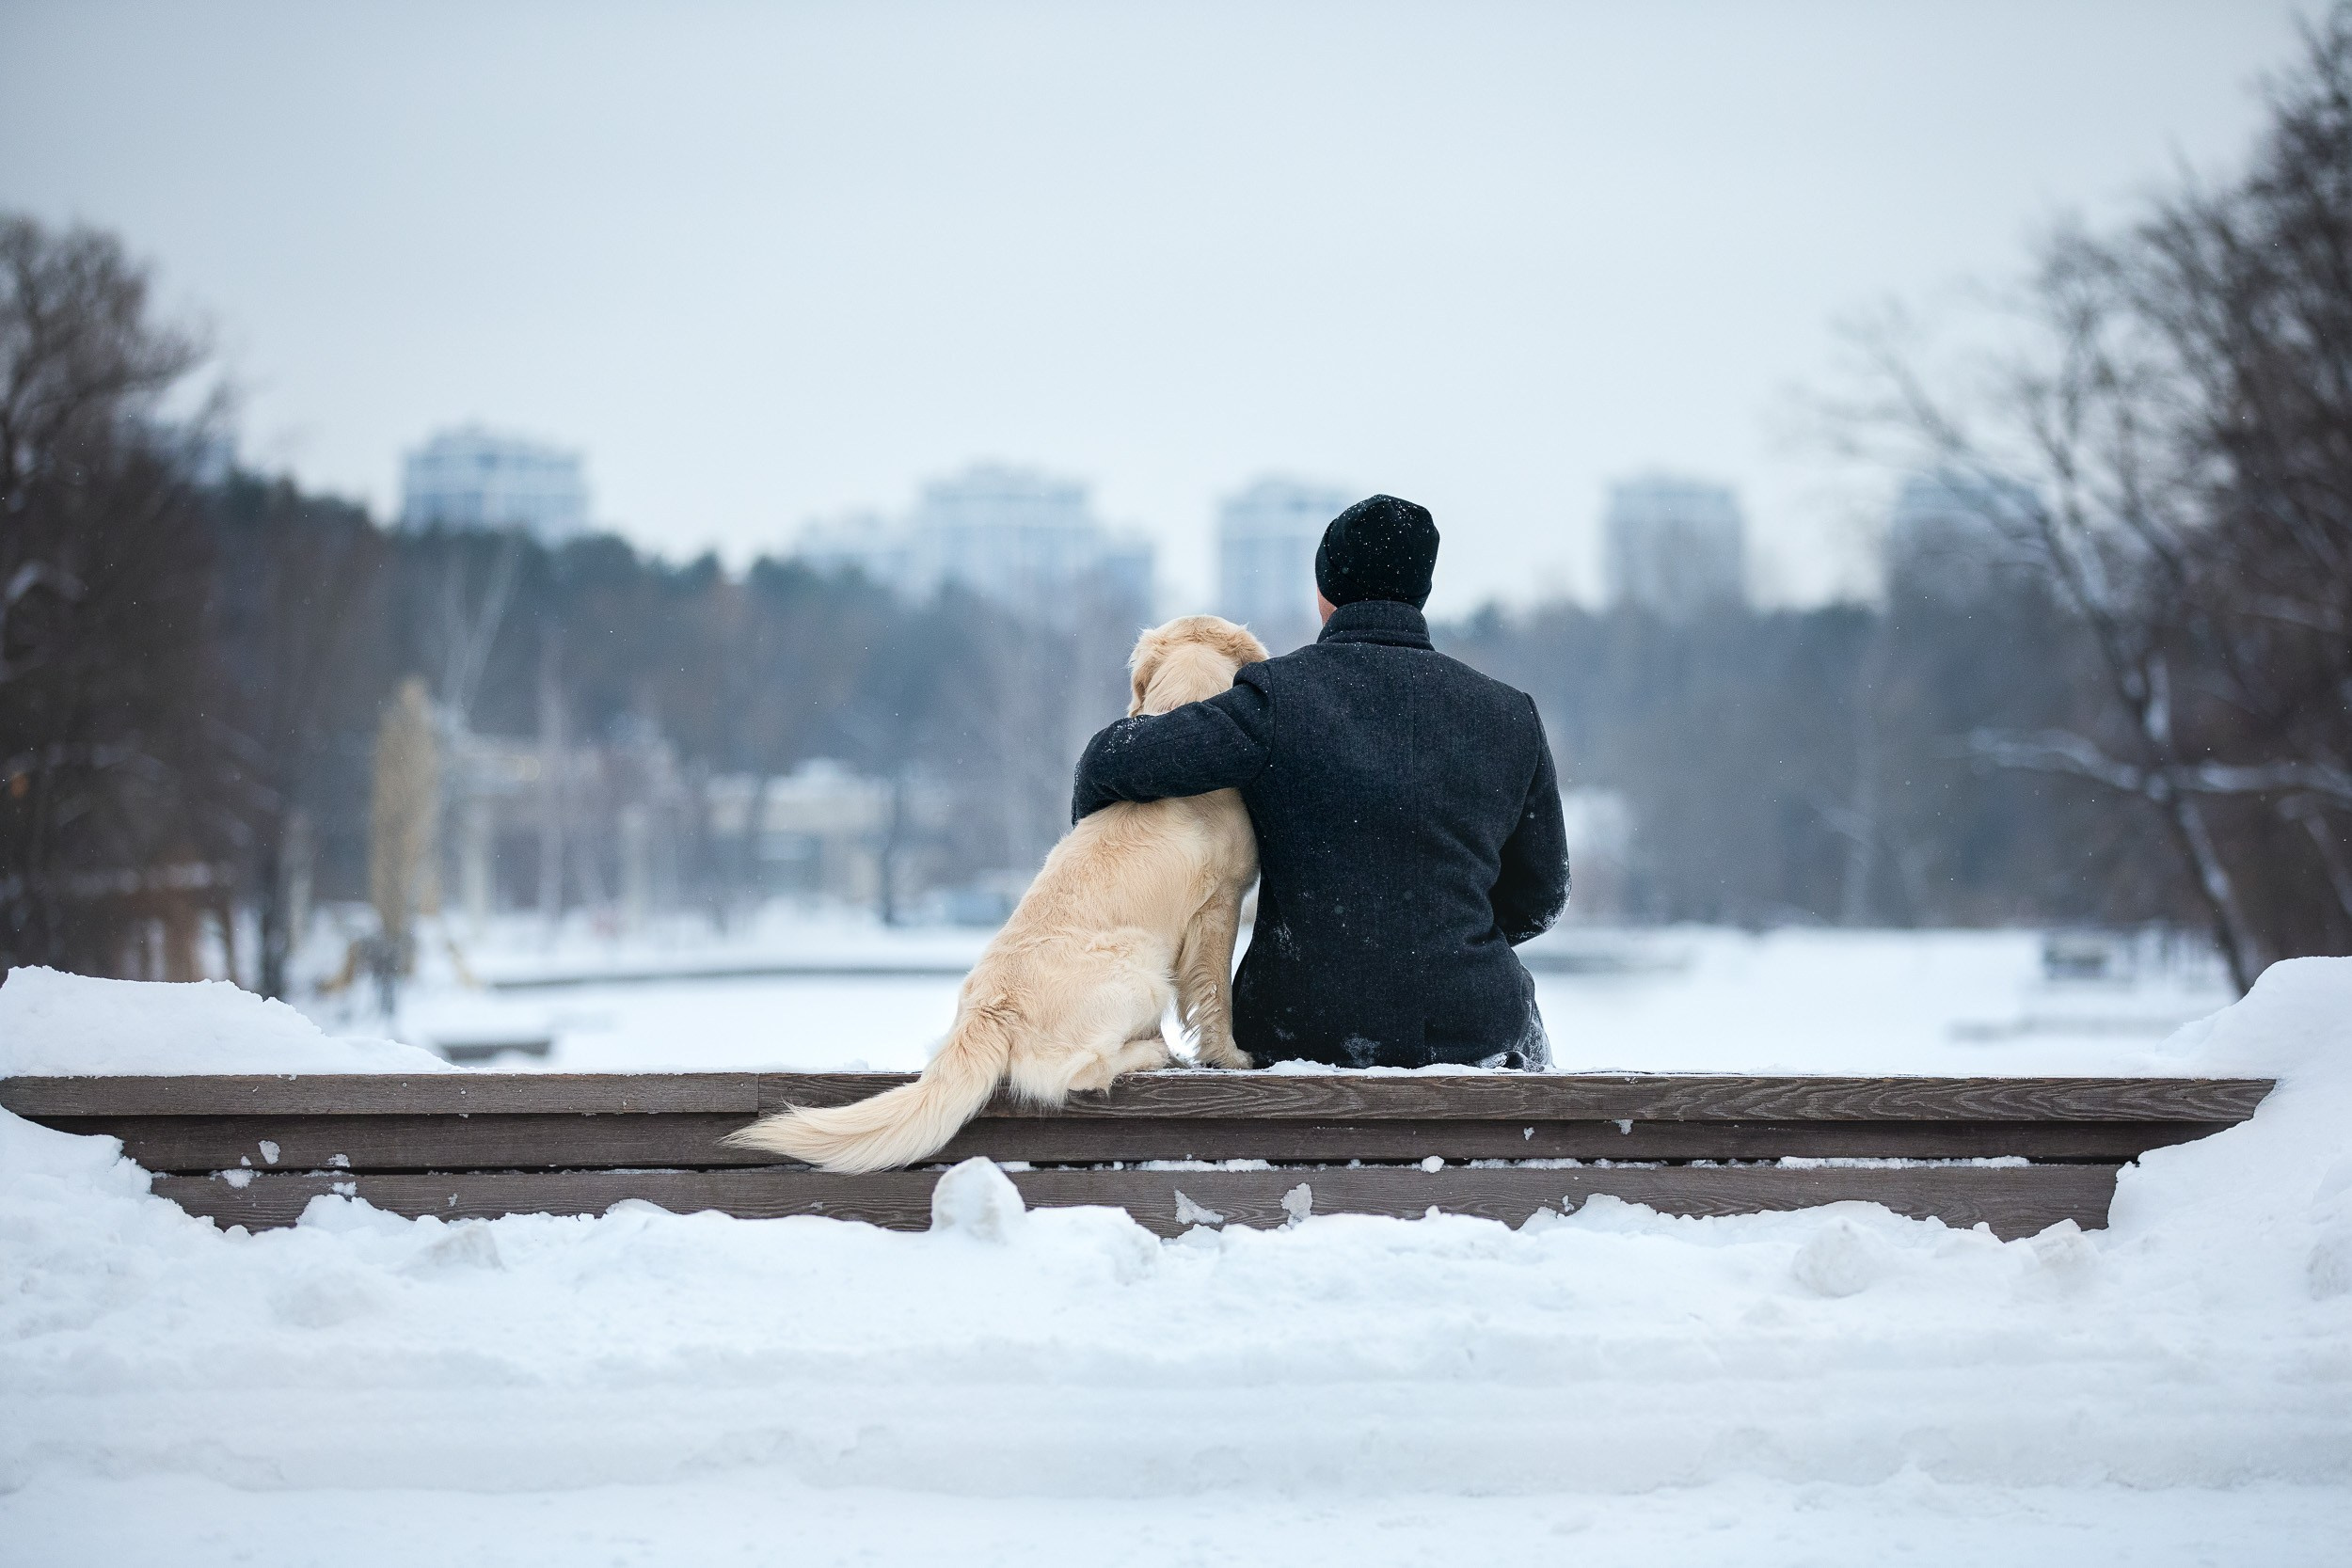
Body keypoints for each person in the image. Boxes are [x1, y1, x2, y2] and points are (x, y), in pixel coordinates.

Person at [1070, 494, 1569, 1069]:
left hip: (1298, 1032)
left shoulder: (1275, 700)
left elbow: (1109, 763)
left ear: (1323, 595)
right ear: (1422, 592)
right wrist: (1441, 934)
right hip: (1476, 1035)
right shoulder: (1510, 716)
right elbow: (1542, 898)